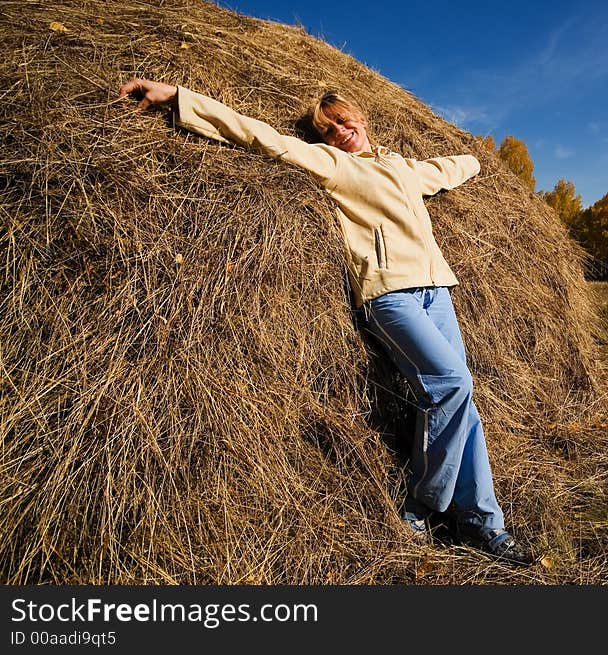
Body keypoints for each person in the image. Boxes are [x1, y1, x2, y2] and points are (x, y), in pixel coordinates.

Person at [119, 78, 533, 566]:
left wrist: (481, 159)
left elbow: (445, 170)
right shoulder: (336, 166)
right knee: (452, 383)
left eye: (343, 119)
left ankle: (484, 521)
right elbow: (261, 136)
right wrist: (180, 99)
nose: (340, 130)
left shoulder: (401, 166)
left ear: (360, 117)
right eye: (329, 128)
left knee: (462, 402)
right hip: (389, 294)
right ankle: (424, 499)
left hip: (437, 291)